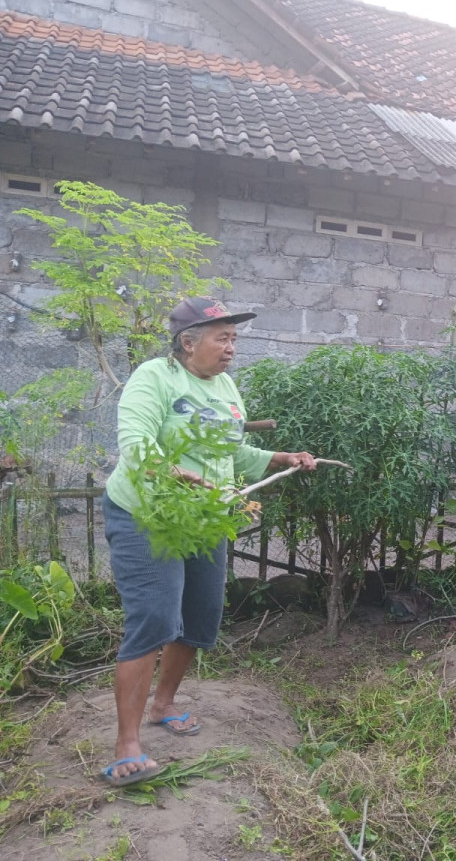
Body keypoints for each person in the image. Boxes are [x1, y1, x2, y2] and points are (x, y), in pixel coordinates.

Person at [100, 298, 316, 787]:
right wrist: (172, 471)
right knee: (155, 616)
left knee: (200, 614)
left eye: (234, 338)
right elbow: (135, 443)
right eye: (223, 338)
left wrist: (280, 457)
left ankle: (163, 704)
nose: (231, 347)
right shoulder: (154, 378)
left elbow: (230, 450)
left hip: (202, 516)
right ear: (188, 342)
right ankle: (127, 744)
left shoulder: (224, 387)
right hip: (147, 515)